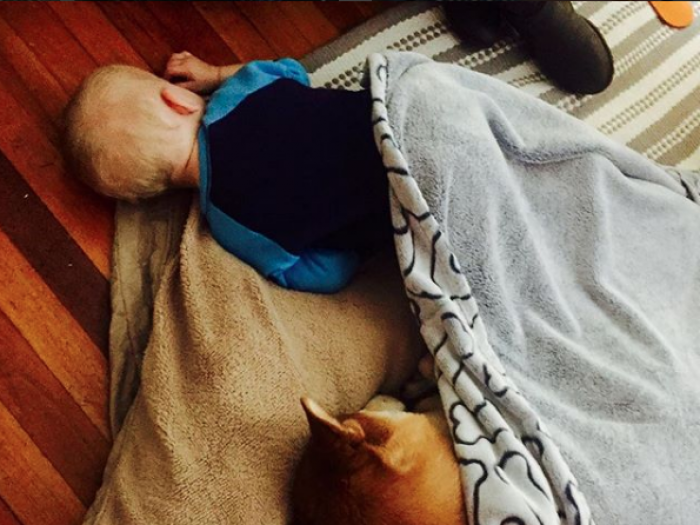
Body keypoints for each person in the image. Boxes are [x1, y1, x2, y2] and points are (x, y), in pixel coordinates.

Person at [62, 52, 392, 293]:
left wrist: (350, 253)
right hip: (394, 115)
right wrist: (215, 74)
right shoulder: (242, 90)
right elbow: (293, 71)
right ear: (178, 102)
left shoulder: (231, 228)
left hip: (399, 206)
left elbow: (328, 274)